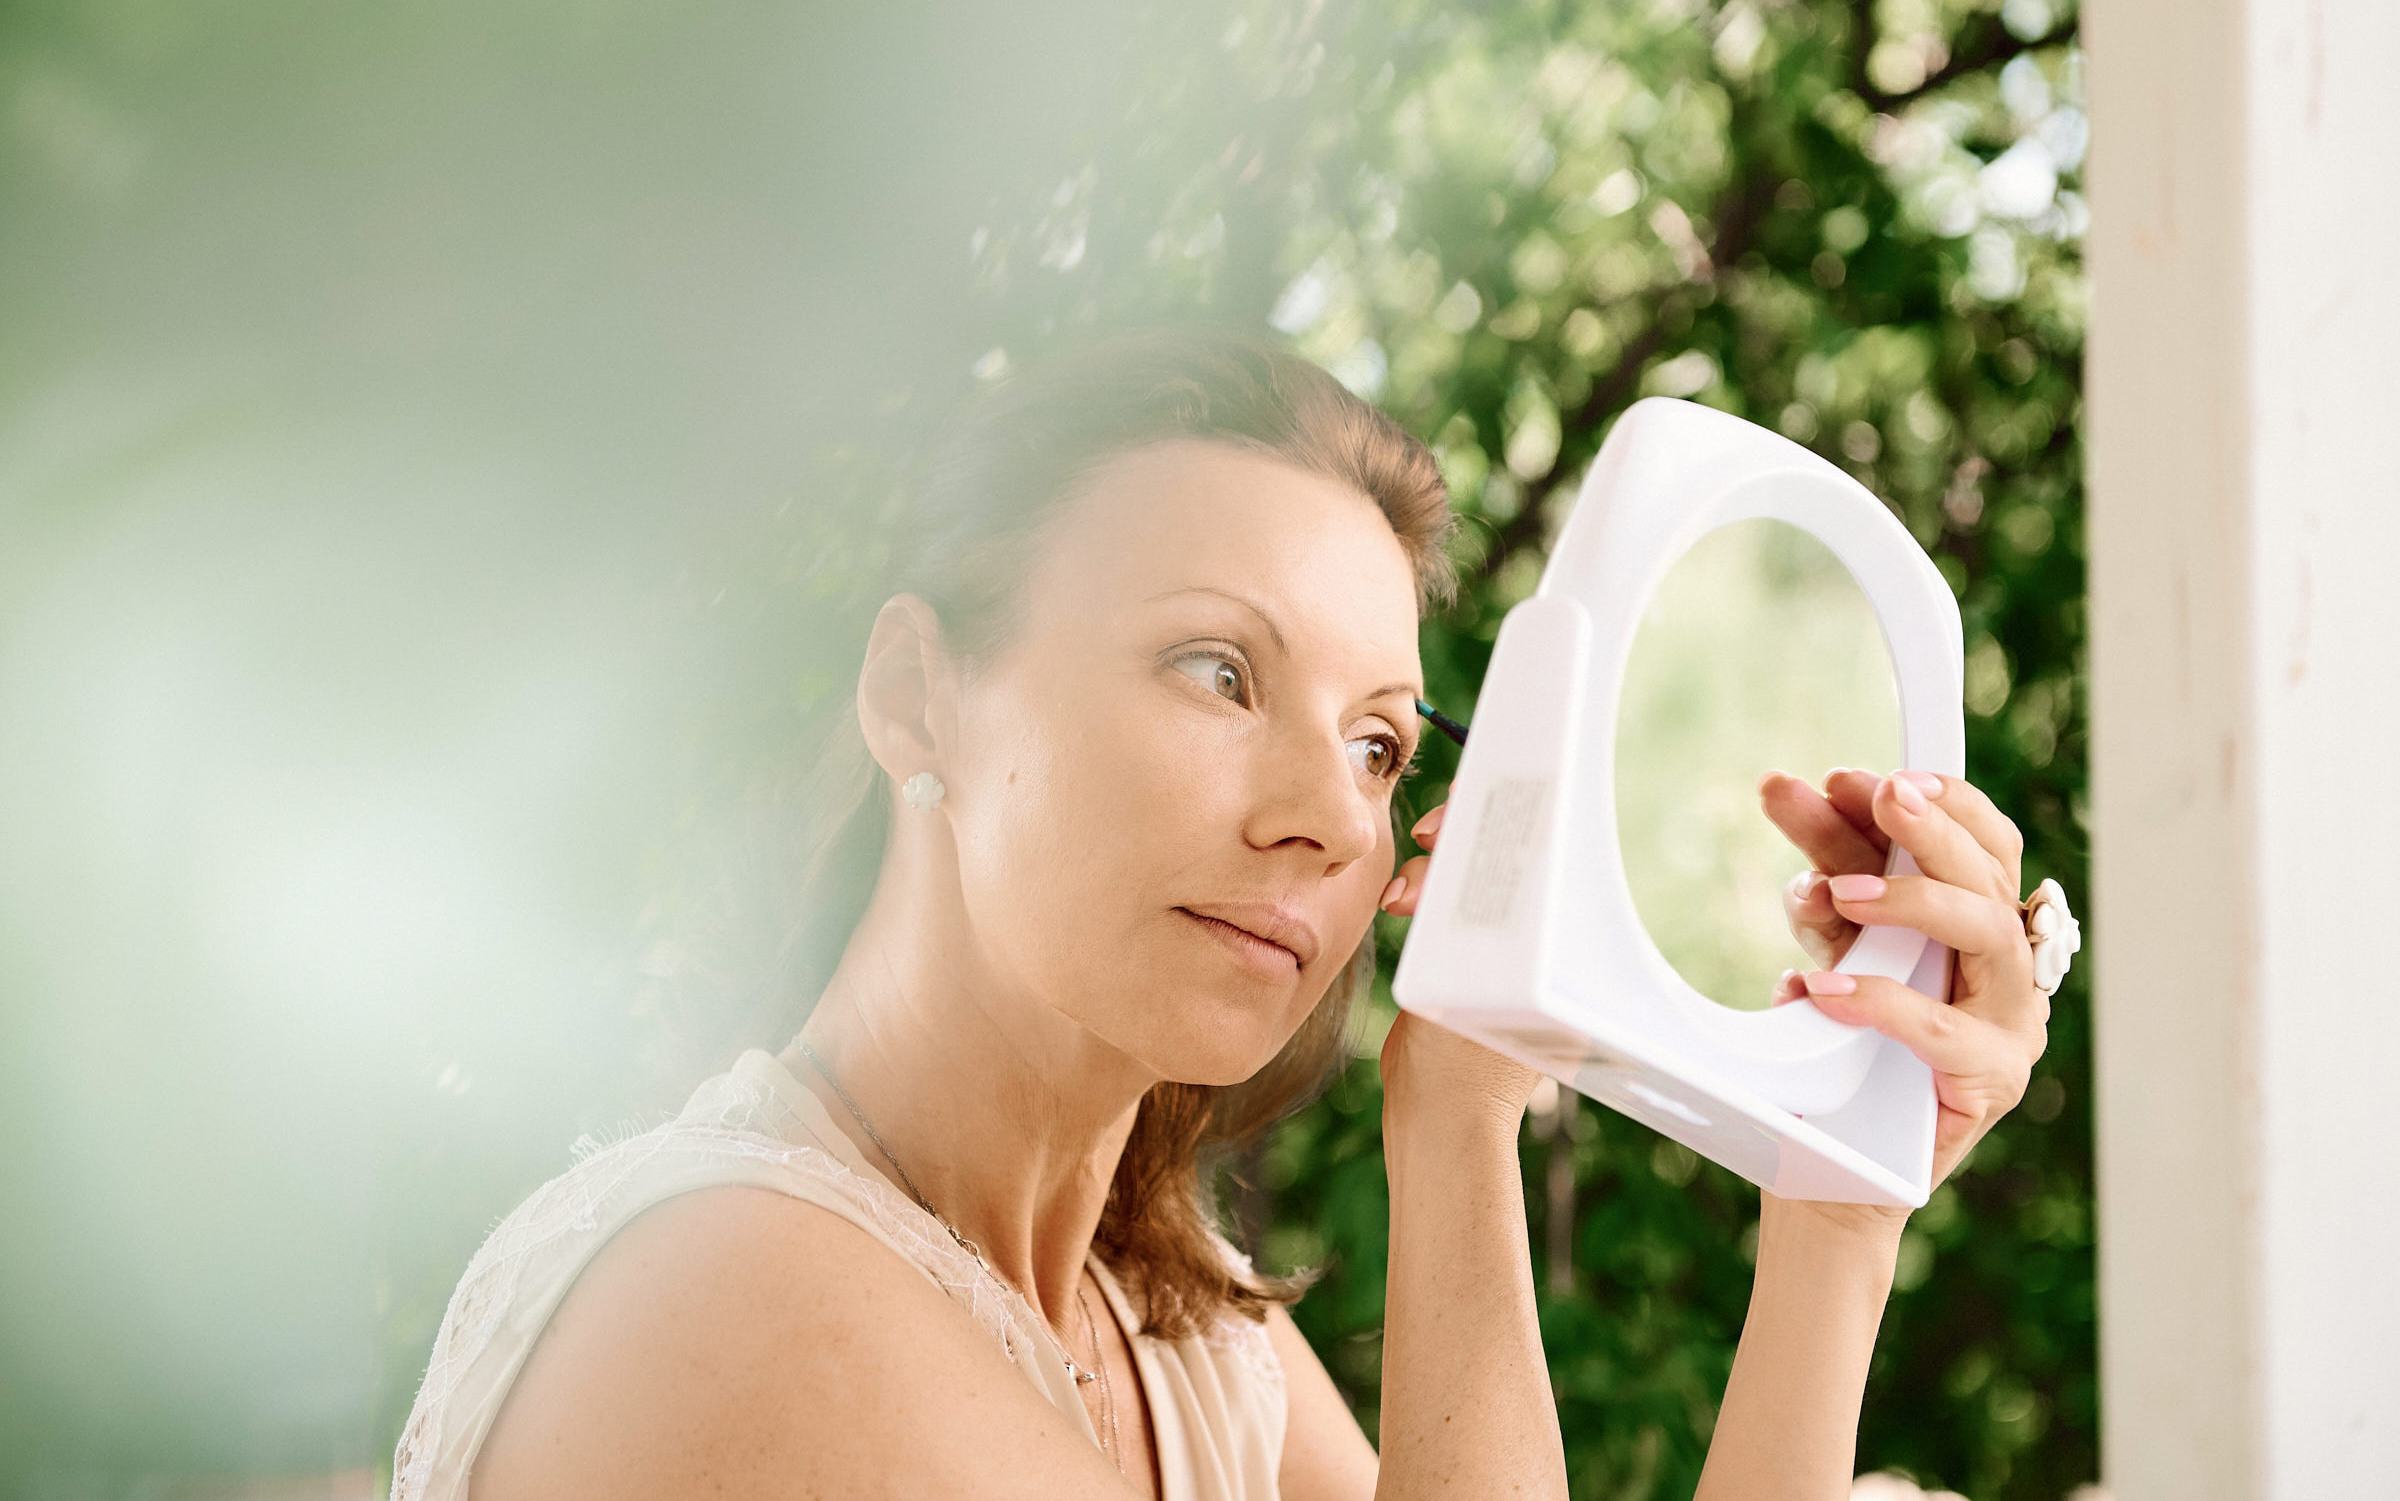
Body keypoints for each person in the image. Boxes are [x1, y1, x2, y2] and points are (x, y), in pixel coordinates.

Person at [389, 329, 2051, 1501]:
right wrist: (1455, 1121)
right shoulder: (735, 1285)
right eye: (1216, 668)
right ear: (917, 695)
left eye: (1380, 741)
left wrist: (1840, 1203)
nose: (1330, 811)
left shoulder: (1177, 1335)